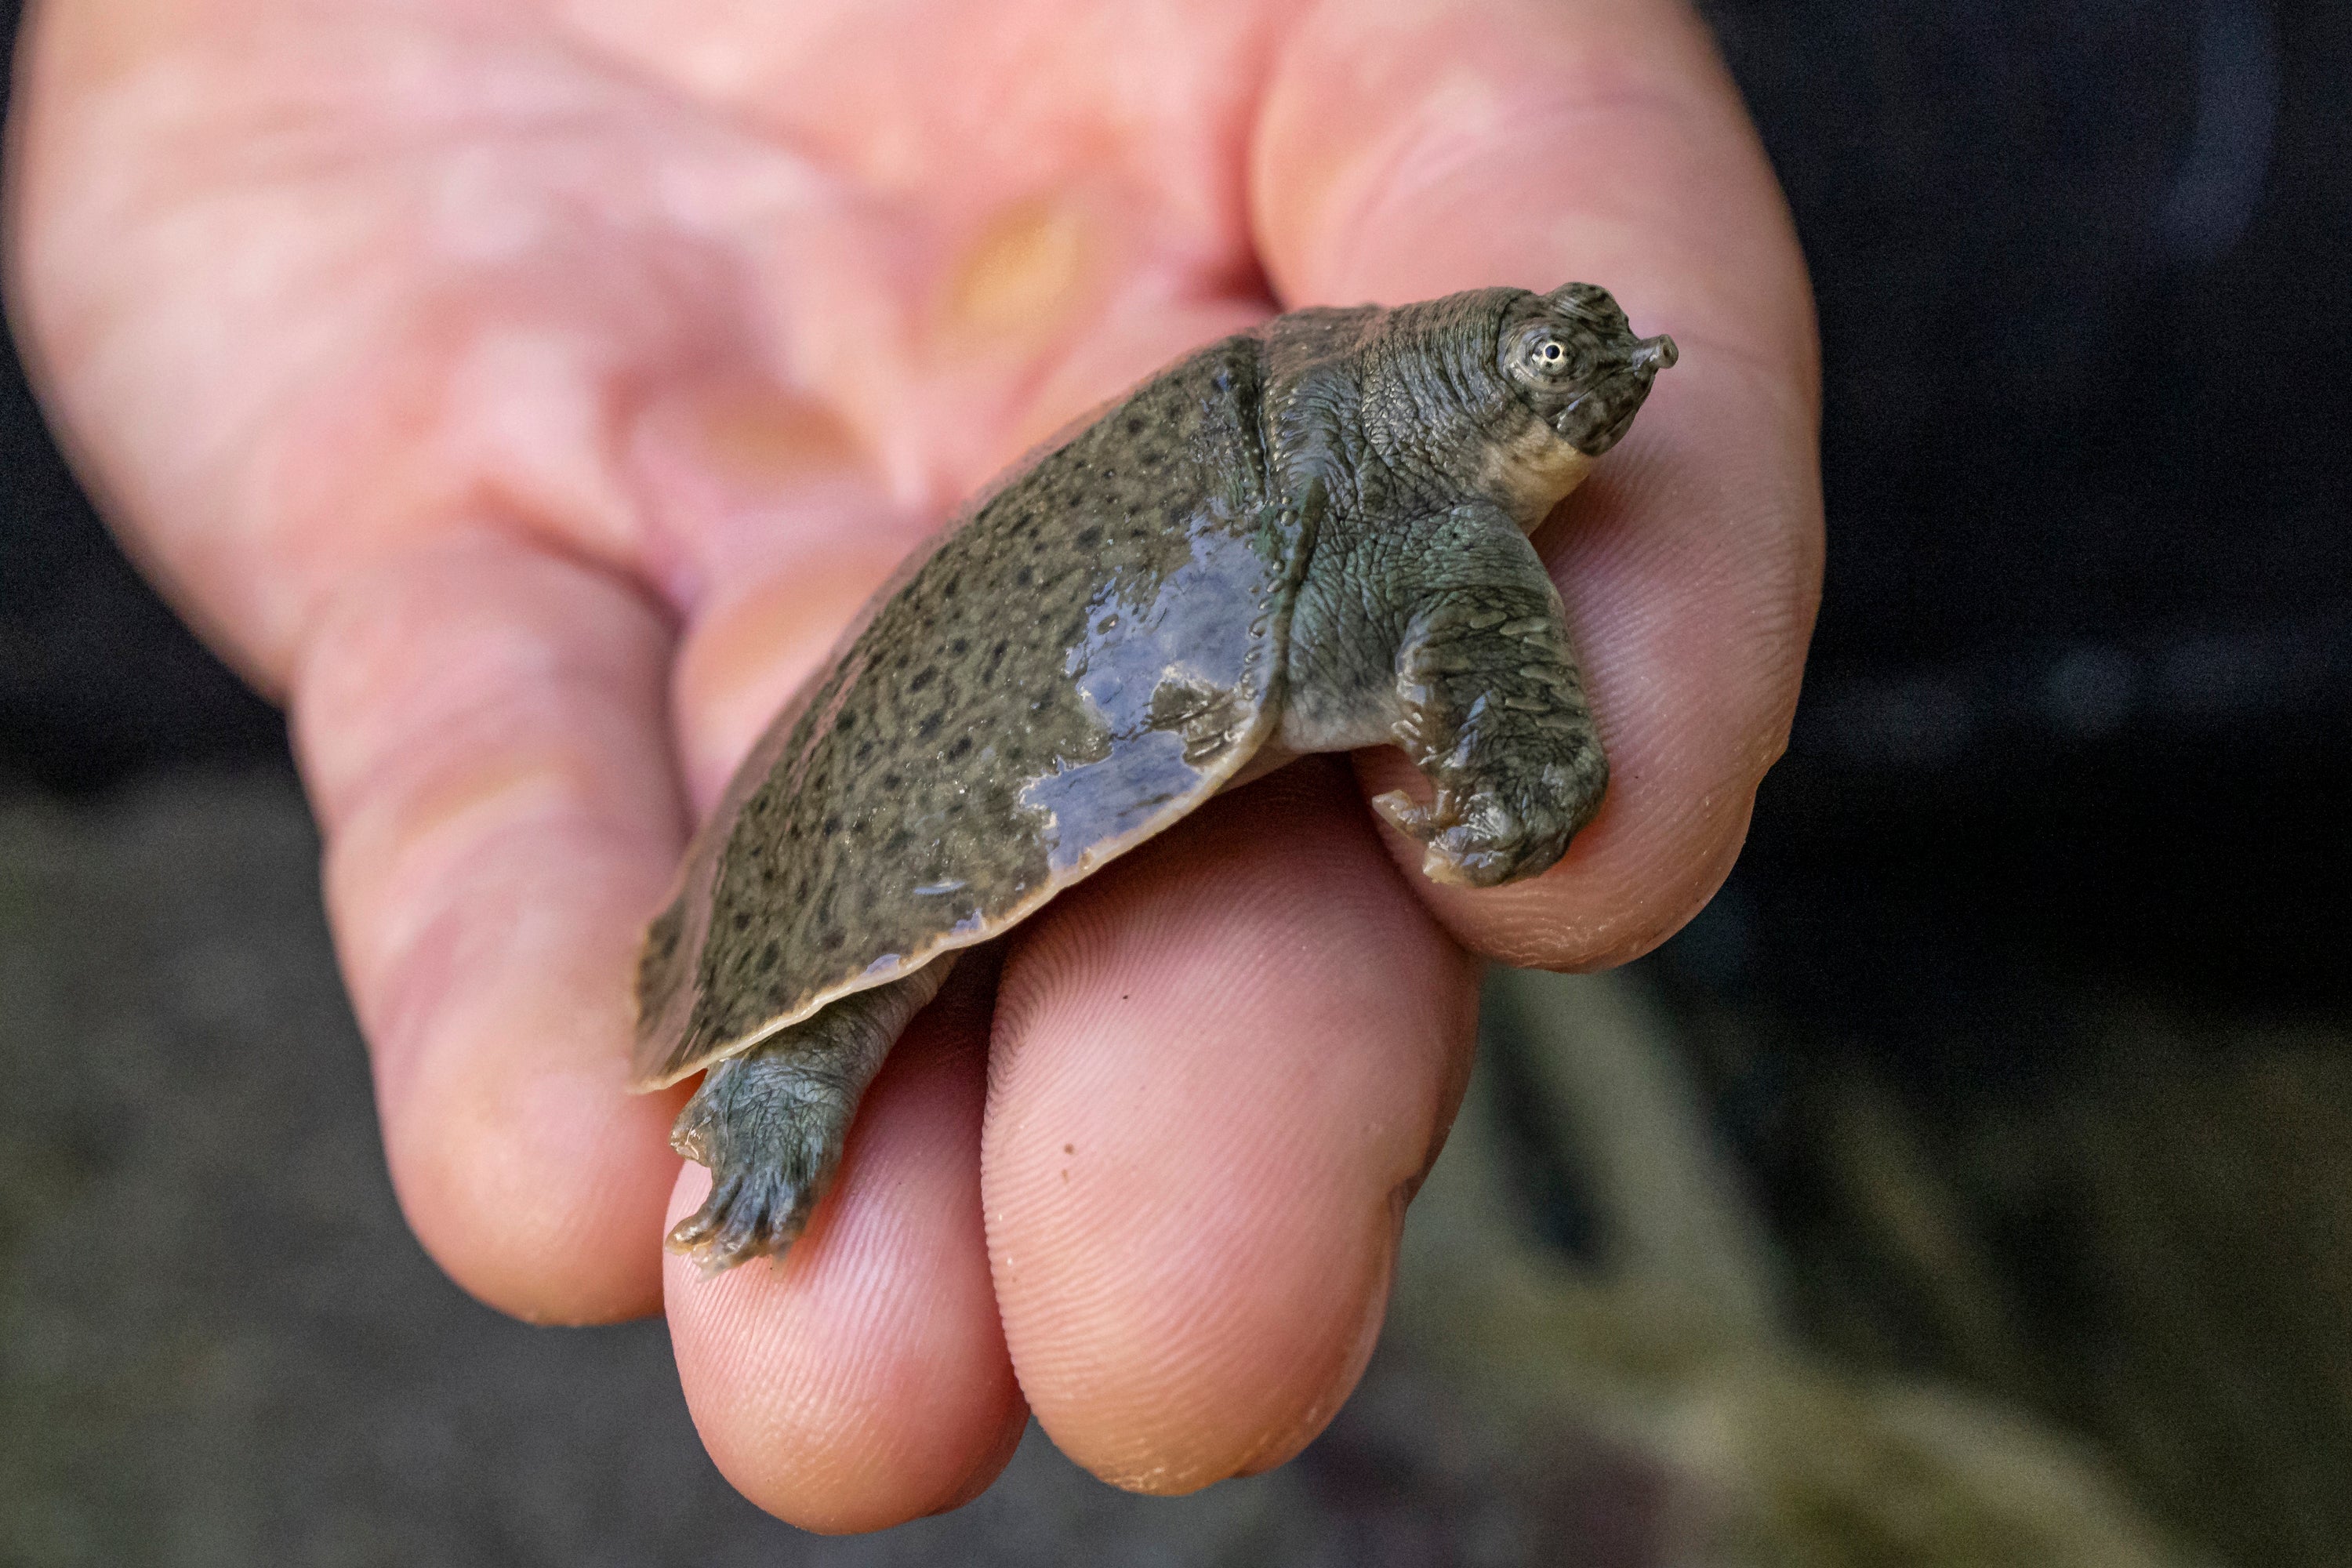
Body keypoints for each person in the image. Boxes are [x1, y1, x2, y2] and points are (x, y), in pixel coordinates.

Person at [5, 0, 1819, 1532]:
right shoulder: (1434, 530)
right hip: (1013, 659)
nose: (1596, 392)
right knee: (895, 956)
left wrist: (1520, 745)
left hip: (1205, 531)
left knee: (1172, 1260)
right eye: (1557, 375)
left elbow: (1508, 650)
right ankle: (789, 1054)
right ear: (1474, 411)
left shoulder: (1416, 487)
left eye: (1593, 370)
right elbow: (1495, 672)